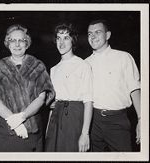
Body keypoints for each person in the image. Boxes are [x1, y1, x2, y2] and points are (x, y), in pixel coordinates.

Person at [0, 24, 55, 152]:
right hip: (6, 131)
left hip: (31, 132)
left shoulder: (37, 65)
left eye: (21, 40)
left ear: (27, 43)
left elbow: (41, 97)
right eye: (13, 40)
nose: (17, 44)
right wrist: (13, 122)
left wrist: (21, 117)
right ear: (7, 43)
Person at [85, 19, 141, 152]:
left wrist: (141, 119)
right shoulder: (85, 63)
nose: (92, 36)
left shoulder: (124, 57)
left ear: (108, 35)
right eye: (89, 34)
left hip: (117, 121)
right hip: (93, 121)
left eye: (97, 32)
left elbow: (135, 90)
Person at [45, 23, 93, 152]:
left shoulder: (83, 65)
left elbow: (88, 102)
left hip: (75, 118)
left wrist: (85, 134)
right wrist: (48, 129)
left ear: (73, 40)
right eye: (58, 38)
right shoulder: (53, 69)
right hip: (56, 118)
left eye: (66, 38)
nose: (61, 42)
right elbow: (53, 104)